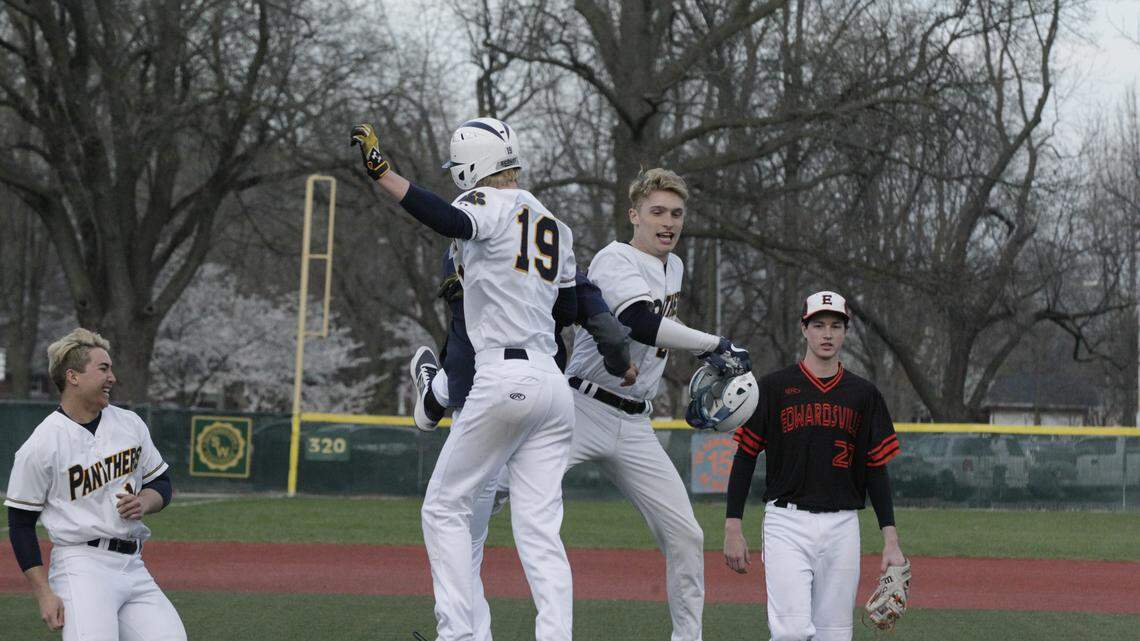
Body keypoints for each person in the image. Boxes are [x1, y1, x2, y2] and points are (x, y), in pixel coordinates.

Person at [436, 167, 749, 641]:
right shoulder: (614, 258)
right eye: (657, 211)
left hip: (635, 422)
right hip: (581, 406)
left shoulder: (676, 267)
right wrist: (713, 343)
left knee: (686, 534)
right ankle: (461, 618)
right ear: (634, 215)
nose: (668, 222)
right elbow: (638, 322)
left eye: (676, 213)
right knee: (486, 491)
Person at [352, 118, 578, 641]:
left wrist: (384, 174)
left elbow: (445, 218)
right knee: (541, 534)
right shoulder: (556, 225)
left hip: (504, 374)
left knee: (442, 507)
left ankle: (457, 634)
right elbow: (565, 308)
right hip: (551, 382)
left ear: (472, 166)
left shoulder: (487, 204)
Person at [409, 252, 636, 641]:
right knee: (540, 534)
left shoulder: (474, 241)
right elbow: (603, 324)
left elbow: (465, 321)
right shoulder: (549, 242)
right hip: (548, 392)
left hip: (486, 395)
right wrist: (619, 362)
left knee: (457, 524)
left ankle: (463, 636)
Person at [722, 291, 906, 641]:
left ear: (845, 332)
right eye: (818, 325)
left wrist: (890, 539)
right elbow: (745, 456)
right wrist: (733, 527)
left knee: (834, 635)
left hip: (842, 526)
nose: (827, 334)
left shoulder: (863, 394)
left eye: (836, 326)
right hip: (786, 522)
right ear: (803, 329)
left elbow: (875, 469)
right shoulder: (774, 388)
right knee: (790, 632)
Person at [4, 328, 185, 641]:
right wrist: (44, 593)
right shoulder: (42, 445)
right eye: (103, 368)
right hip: (81, 565)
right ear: (73, 377)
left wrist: (145, 501)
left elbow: (161, 483)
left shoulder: (129, 423)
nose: (112, 377)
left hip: (133, 564)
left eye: (111, 368)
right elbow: (20, 525)